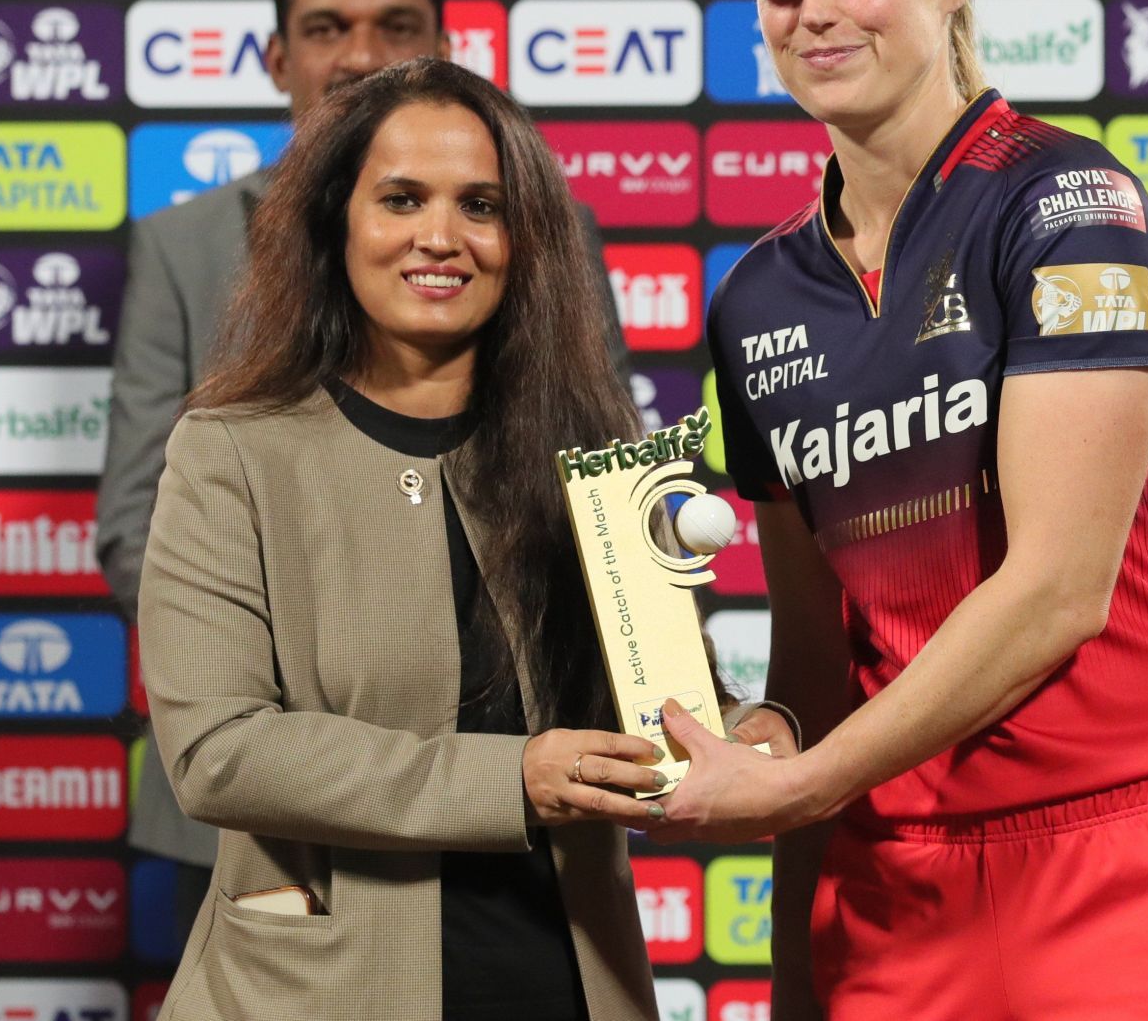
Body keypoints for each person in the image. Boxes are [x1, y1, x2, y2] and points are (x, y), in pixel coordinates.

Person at [663, 0, 1148, 1020]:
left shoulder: (1071, 203)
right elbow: (817, 655)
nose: (814, 9)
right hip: (894, 881)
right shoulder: (758, 296)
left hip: (1135, 850)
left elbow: (1058, 590)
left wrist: (801, 786)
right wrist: (777, 788)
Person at [138, 58, 793, 1021]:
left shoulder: (596, 453)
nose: (440, 237)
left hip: (566, 983)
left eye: (480, 205)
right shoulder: (232, 451)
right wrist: (512, 779)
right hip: (318, 993)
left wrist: (744, 734)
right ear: (338, 223)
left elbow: (656, 700)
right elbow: (218, 749)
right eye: (401, 199)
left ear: (524, 239)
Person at [97, 0, 627, 941]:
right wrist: (278, 670)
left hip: (533, 846)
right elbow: (135, 523)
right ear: (277, 53)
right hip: (267, 829)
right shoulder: (182, 249)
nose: (362, 56)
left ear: (442, 47)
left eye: (395, 26)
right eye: (328, 28)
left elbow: (603, 499)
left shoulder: (550, 240)